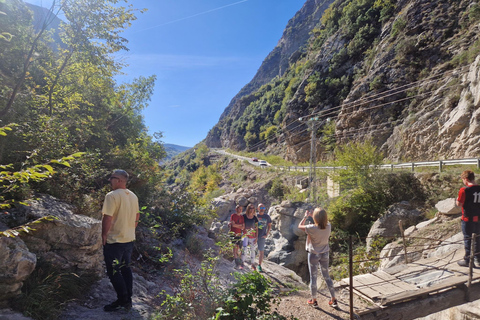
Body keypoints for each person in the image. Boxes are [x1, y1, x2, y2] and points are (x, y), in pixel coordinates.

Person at [102, 169, 140, 312]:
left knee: (113, 271)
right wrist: (129, 230)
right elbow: (137, 217)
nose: (110, 180)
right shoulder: (133, 196)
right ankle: (128, 298)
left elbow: (107, 217)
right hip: (129, 239)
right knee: (125, 269)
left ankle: (122, 300)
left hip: (115, 241)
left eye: (112, 178)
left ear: (119, 180)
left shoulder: (111, 196)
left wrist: (104, 235)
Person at [298, 208, 337, 308]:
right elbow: (321, 223)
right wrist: (314, 217)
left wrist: (306, 216)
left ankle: (314, 300)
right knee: (327, 276)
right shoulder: (329, 226)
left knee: (313, 277)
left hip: (314, 254)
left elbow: (299, 226)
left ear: (315, 217)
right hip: (325, 254)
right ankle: (333, 299)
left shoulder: (312, 228)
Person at [456, 170, 480, 267]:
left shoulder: (464, 190)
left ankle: (468, 260)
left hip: (467, 219)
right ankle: (478, 258)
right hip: (478, 218)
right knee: (478, 239)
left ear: (465, 179)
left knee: (468, 239)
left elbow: (459, 204)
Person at [242, 204, 258, 271]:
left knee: (252, 250)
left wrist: (256, 237)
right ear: (248, 209)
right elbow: (242, 225)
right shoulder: (244, 216)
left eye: (253, 208)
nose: (251, 209)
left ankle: (252, 264)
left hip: (252, 236)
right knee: (244, 249)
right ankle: (242, 263)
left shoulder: (255, 218)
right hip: (245, 235)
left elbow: (257, 228)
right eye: (250, 208)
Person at [256, 203, 272, 272]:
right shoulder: (255, 215)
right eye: (260, 208)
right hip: (254, 235)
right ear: (258, 208)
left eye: (263, 208)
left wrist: (267, 234)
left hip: (262, 236)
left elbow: (269, 226)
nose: (262, 209)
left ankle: (259, 265)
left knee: (261, 251)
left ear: (264, 209)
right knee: (250, 249)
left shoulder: (267, 217)